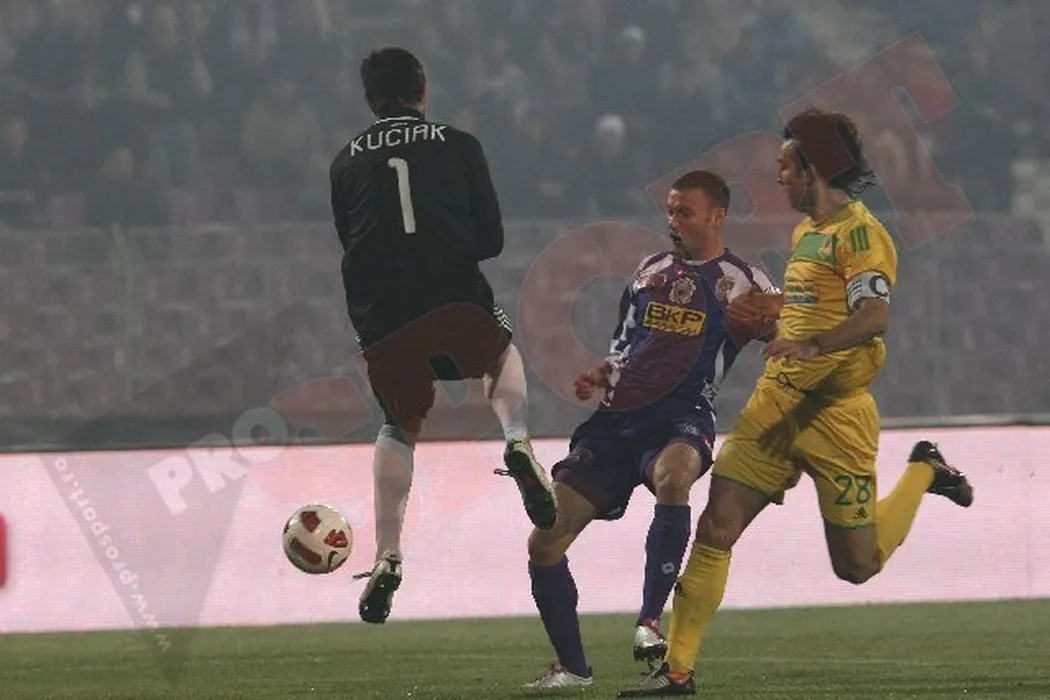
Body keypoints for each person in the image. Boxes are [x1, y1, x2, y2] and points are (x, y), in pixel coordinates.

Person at [617, 108, 974, 697]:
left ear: (818, 169)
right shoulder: (806, 233)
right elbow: (810, 306)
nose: (778, 176)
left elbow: (873, 316)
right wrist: (773, 315)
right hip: (777, 403)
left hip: (837, 416)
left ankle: (923, 471)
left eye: (786, 166)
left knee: (857, 566)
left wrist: (813, 344)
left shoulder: (863, 236)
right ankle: (676, 673)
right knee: (715, 526)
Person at [329, 47, 557, 625]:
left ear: (370, 100)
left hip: (383, 310)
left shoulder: (344, 161)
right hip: (451, 289)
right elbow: (492, 239)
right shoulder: (460, 144)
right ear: (422, 89)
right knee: (499, 353)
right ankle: (517, 440)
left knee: (397, 422)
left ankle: (387, 554)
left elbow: (350, 240)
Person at [524, 170, 777, 689]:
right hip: (616, 419)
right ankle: (573, 669)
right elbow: (625, 347)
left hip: (682, 414)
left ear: (717, 216)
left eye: (685, 212)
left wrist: (786, 329)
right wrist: (602, 372)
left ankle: (649, 621)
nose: (673, 221)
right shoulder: (649, 271)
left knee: (674, 476)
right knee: (543, 543)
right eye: (670, 211)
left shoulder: (744, 281)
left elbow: (790, 325)